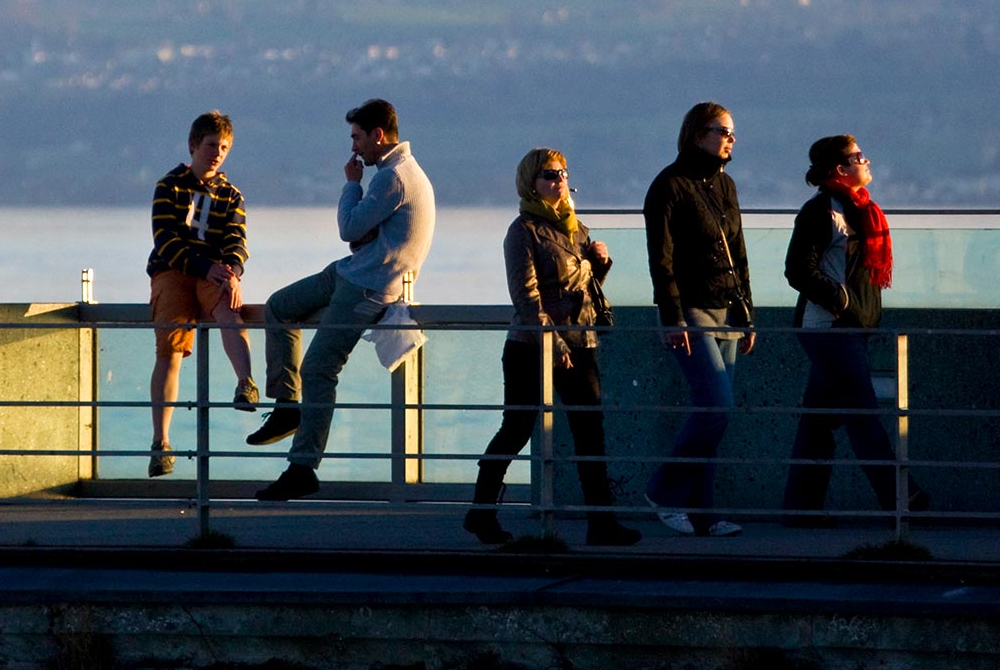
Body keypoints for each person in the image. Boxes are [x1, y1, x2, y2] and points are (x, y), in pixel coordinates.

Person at [248, 98, 436, 501]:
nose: (354, 148)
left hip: (368, 287)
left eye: (357, 138)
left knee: (319, 367)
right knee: (279, 307)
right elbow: (362, 234)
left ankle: (302, 468)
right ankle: (286, 407)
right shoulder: (400, 173)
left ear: (378, 135)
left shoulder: (393, 178)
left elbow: (349, 227)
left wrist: (351, 184)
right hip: (350, 271)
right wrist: (364, 229)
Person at [463, 148, 640, 547]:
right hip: (530, 346)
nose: (559, 180)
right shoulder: (522, 230)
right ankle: (481, 511)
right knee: (517, 428)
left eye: (563, 173)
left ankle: (602, 523)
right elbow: (526, 298)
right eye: (549, 174)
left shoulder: (576, 228)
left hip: (580, 343)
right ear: (531, 182)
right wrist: (552, 340)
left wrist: (601, 265)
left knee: (590, 431)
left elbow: (582, 290)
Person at [781, 134, 929, 519]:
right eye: (858, 156)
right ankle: (903, 500)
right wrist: (840, 300)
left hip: (852, 329)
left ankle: (799, 509)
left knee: (819, 422)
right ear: (839, 169)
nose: (867, 161)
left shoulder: (864, 211)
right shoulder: (820, 212)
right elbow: (798, 269)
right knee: (862, 415)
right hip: (830, 329)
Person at [642, 101, 757, 537]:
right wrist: (671, 318)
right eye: (721, 130)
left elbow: (738, 252)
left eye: (732, 131)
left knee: (715, 414)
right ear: (695, 133)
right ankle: (664, 490)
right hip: (690, 308)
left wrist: (748, 311)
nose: (730, 138)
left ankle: (704, 514)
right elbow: (662, 261)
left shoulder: (725, 185)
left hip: (728, 310)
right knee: (715, 404)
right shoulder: (668, 187)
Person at [145, 109, 260, 475]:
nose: (218, 153)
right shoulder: (169, 186)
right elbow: (165, 241)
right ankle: (161, 443)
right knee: (171, 349)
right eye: (212, 145)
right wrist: (203, 266)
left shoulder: (231, 195)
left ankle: (246, 384)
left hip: (214, 273)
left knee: (229, 311)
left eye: (224, 146)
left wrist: (233, 273)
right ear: (194, 145)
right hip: (174, 271)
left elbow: (237, 242)